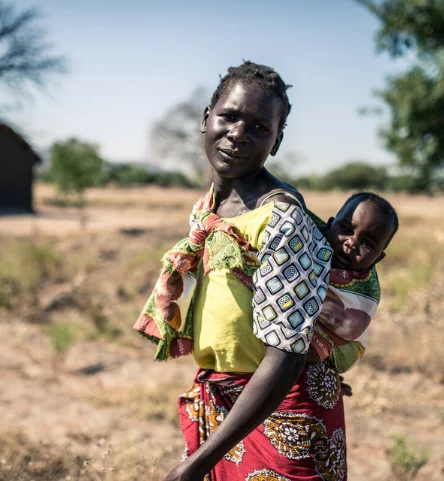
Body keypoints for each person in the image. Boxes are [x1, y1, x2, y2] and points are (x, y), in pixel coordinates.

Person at [134, 61, 384, 481]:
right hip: (227, 401)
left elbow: (285, 357)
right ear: (205, 118)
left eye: (258, 127)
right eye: (229, 116)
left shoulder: (283, 220)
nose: (237, 134)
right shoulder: (209, 208)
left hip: (283, 410)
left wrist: (198, 462)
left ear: (277, 140)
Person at [306, 192, 399, 374]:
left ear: (377, 259)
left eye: (368, 244)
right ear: (330, 225)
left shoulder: (364, 292)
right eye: (347, 229)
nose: (351, 243)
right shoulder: (306, 234)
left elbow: (347, 329)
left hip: (338, 347)